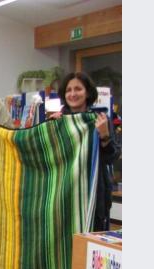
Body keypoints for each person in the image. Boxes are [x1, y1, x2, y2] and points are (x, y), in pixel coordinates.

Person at [51, 71, 121, 231]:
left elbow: (112, 157)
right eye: (68, 90)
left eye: (78, 89)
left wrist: (104, 135)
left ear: (88, 92)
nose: (73, 94)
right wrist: (50, 129)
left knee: (89, 241)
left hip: (93, 196)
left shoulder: (100, 120)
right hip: (64, 194)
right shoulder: (57, 121)